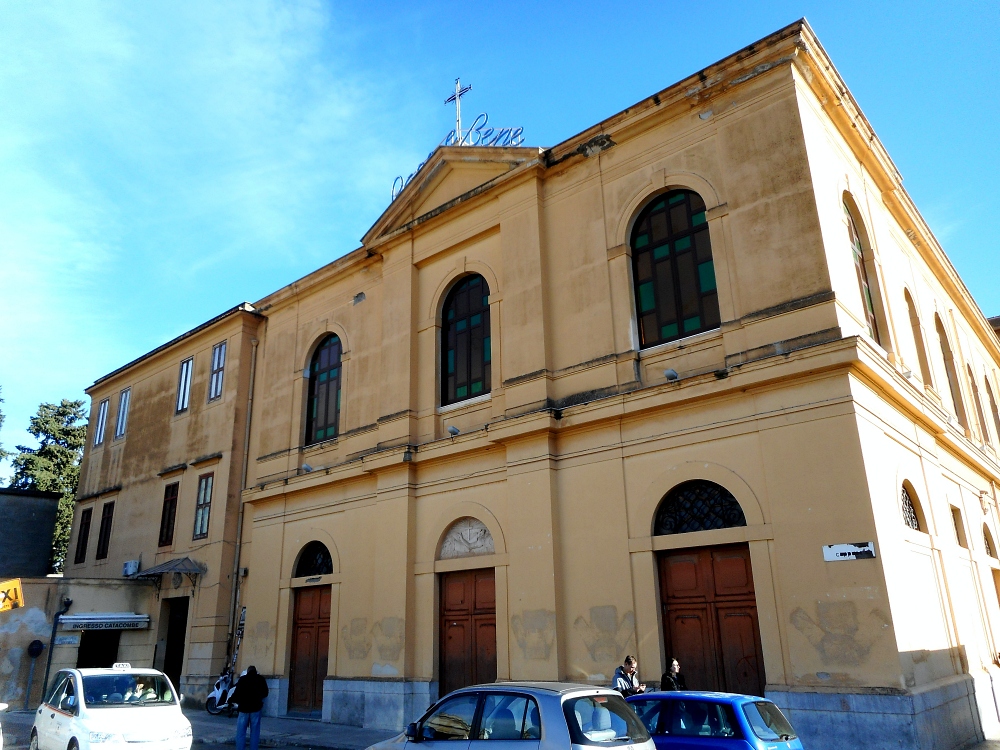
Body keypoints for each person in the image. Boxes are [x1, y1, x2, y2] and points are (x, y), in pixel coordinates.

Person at [230, 665, 269, 750]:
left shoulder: (243, 680)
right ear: (256, 671)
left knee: (241, 733)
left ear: (247, 672)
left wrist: (231, 701)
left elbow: (236, 694)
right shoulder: (261, 679)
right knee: (255, 732)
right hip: (256, 709)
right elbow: (265, 693)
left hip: (244, 709)